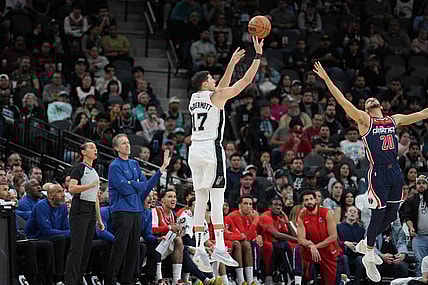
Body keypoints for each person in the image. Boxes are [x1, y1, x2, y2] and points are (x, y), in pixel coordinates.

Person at [314, 61, 428, 282]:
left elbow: (423, 113)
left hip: (395, 170)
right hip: (378, 173)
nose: (370, 100)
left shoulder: (393, 120)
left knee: (392, 215)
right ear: (366, 108)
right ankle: (368, 253)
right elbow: (342, 101)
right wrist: (327, 79)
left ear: (380, 105)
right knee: (378, 213)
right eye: (367, 101)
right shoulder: (365, 120)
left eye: (372, 100)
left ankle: (366, 244)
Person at [188, 36, 264, 271]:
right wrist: (258, 56)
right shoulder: (216, 98)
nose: (214, 81)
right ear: (205, 83)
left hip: (194, 151)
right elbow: (246, 81)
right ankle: (219, 245)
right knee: (218, 197)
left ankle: (200, 248)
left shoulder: (194, 98)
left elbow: (221, 87)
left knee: (201, 199)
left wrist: (231, 63)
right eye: (211, 79)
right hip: (211, 150)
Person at [105, 134, 170, 285]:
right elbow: (125, 189)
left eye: (128, 143)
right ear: (116, 148)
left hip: (136, 211)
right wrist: (136, 184)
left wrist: (162, 169)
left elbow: (145, 186)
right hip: (121, 211)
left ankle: (128, 280)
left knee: (134, 249)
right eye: (123, 143)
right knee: (120, 248)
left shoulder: (134, 164)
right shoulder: (114, 166)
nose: (127, 145)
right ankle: (110, 280)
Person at [64, 142, 105, 285]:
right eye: (92, 147)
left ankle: (78, 279)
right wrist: (90, 186)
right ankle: (70, 281)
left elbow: (95, 198)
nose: (95, 150)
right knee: (77, 247)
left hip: (90, 211)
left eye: (96, 147)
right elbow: (71, 188)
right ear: (83, 152)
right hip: (79, 208)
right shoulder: (78, 168)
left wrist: (99, 219)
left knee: (86, 249)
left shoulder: (94, 171)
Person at [297, 190, 342, 285]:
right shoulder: (301, 216)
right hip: (312, 253)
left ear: (316, 200)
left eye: (311, 199)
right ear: (303, 203)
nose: (309, 202)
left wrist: (315, 246)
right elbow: (300, 238)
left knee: (332, 282)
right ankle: (300, 279)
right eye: (306, 200)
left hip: (329, 252)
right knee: (299, 249)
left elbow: (333, 236)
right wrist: (310, 245)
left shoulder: (326, 212)